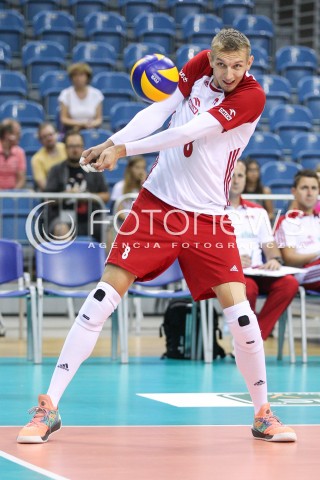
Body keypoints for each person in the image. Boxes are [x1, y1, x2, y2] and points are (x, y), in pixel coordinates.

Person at [18, 29, 296, 444]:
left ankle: (262, 414)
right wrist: (112, 141)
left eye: (237, 66)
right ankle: (49, 408)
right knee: (100, 300)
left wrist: (124, 152)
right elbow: (161, 109)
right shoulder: (201, 63)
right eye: (221, 64)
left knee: (241, 316)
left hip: (207, 218)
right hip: (156, 206)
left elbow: (187, 132)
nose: (227, 73)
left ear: (249, 64)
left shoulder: (251, 97)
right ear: (213, 58)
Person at [228, 160, 299, 340]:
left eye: (240, 176)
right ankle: (248, 339)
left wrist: (275, 259)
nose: (235, 180)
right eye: (231, 175)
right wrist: (232, 260)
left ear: (245, 180)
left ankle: (255, 338)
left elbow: (269, 245)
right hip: (231, 274)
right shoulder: (211, 211)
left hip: (259, 271)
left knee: (289, 284)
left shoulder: (258, 211)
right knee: (248, 288)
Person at [44, 131, 109, 241]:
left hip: (90, 217)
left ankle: (108, 259)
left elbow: (106, 195)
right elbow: (48, 198)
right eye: (71, 146)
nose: (75, 150)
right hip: (63, 217)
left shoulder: (93, 169)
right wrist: (66, 195)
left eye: (78, 146)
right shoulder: (56, 170)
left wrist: (88, 196)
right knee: (61, 229)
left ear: (83, 148)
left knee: (109, 228)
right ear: (65, 148)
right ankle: (65, 259)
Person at [275, 169, 320, 291]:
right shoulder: (287, 221)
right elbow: (289, 259)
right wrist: (317, 255)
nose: (310, 193)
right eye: (304, 188)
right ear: (294, 191)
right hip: (304, 271)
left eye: (314, 188)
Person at [58, 62, 103, 133]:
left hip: (91, 130)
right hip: (71, 131)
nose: (78, 78)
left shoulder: (96, 94)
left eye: (81, 75)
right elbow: (64, 119)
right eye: (75, 75)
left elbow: (99, 120)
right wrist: (81, 124)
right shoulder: (65, 94)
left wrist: (89, 125)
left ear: (87, 77)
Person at [110, 155, 147, 224]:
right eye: (137, 167)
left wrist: (144, 184)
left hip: (142, 223)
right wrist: (131, 222)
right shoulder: (119, 186)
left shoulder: (146, 188)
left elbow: (148, 207)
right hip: (123, 223)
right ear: (130, 169)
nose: (141, 171)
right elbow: (118, 210)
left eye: (143, 168)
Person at [31, 122, 67, 191]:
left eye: (51, 135)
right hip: (51, 196)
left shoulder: (66, 148)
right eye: (44, 137)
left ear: (57, 134)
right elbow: (44, 186)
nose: (49, 139)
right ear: (40, 140)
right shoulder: (36, 159)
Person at [0, 118, 26, 190]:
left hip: (14, 195)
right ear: (7, 135)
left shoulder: (20, 152)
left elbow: (21, 180)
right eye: (17, 134)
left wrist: (12, 195)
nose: (20, 136)